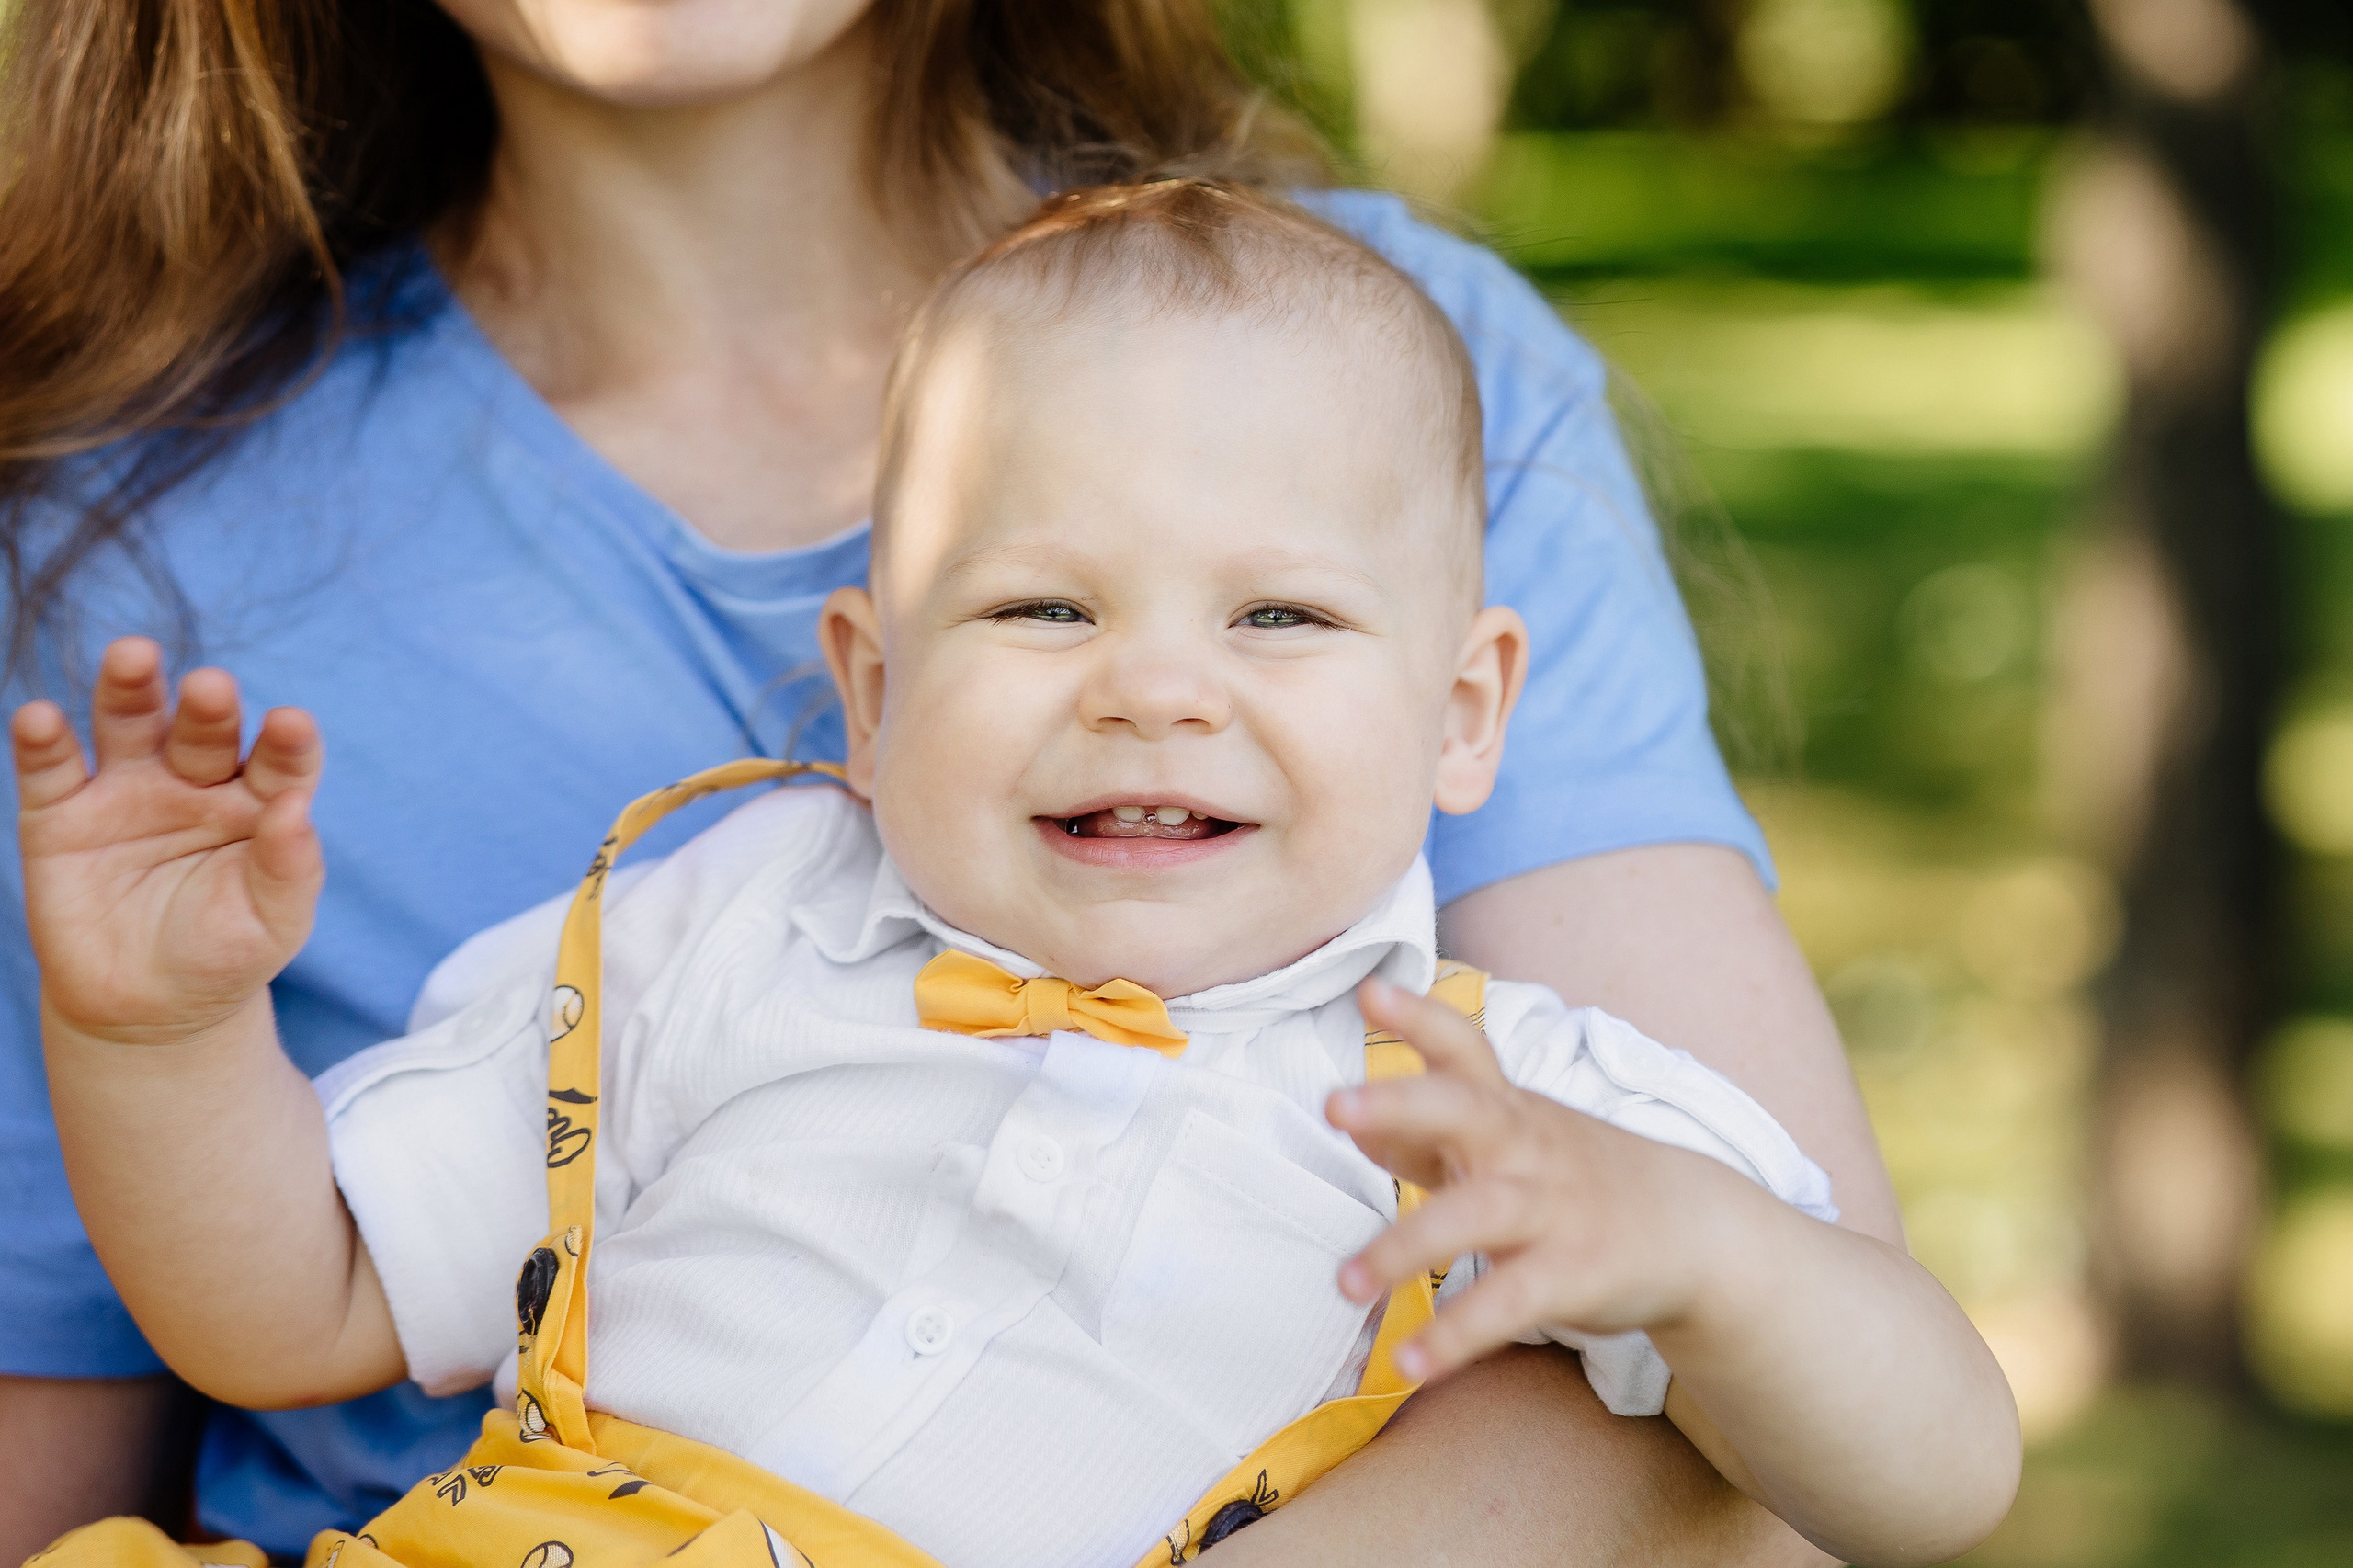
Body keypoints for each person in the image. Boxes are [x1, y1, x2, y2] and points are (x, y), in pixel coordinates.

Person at [0, 2, 1906, 1563]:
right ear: (863, 680)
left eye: (1280, 618)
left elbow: (1810, 1449)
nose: (1156, 693)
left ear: (1461, 702)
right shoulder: (705, 929)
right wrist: (161, 1042)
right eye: (1040, 604)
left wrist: (1708, 1264)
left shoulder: (1403, 391)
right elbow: (284, 1298)